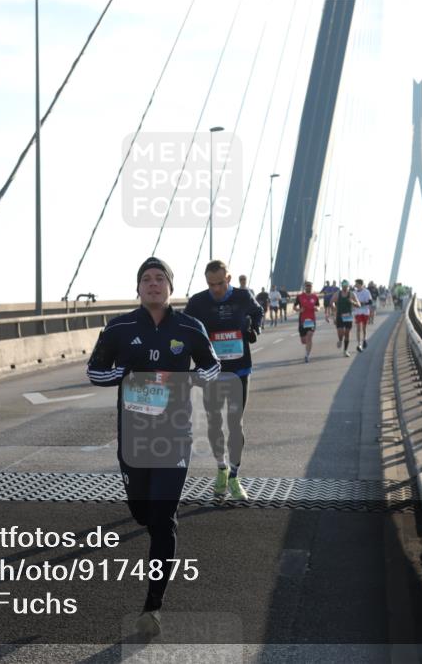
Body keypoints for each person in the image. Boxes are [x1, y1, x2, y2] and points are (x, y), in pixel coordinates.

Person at [86, 257, 220, 639]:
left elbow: (212, 368)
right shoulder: (120, 327)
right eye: (146, 278)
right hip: (133, 436)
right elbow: (94, 371)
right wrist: (126, 375)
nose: (153, 283)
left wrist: (189, 379)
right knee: (142, 513)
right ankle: (150, 521)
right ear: (138, 288)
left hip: (175, 435)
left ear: (170, 287)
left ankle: (153, 605)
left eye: (160, 278)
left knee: (163, 519)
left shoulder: (190, 327)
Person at [185, 260, 264, 501]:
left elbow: (258, 312)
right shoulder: (198, 302)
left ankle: (235, 476)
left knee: (235, 423)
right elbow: (184, 327)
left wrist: (255, 329)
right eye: (210, 284)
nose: (215, 289)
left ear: (228, 279)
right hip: (211, 372)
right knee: (214, 422)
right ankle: (221, 467)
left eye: (219, 283)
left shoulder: (243, 296)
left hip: (239, 370)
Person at [329, 279, 361, 357]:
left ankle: (345, 350)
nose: (345, 287)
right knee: (341, 333)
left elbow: (359, 304)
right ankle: (340, 340)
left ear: (348, 286)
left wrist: (353, 302)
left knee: (347, 333)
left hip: (348, 316)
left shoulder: (352, 294)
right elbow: (331, 302)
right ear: (342, 286)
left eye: (346, 286)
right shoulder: (338, 294)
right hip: (339, 315)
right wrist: (333, 307)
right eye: (343, 285)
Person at [293, 281, 320, 363]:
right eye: (307, 286)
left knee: (309, 337)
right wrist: (299, 309)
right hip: (302, 320)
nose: (309, 287)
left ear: (312, 287)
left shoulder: (315, 297)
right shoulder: (300, 296)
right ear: (305, 287)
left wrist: (317, 309)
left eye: (310, 286)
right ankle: (307, 347)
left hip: (311, 320)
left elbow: (318, 306)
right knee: (303, 340)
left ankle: (307, 355)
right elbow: (294, 307)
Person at [352, 279, 373, 352]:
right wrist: (354, 304)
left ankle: (364, 340)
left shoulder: (366, 292)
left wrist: (361, 304)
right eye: (355, 284)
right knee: (358, 329)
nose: (355, 285)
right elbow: (352, 302)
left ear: (360, 284)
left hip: (365, 312)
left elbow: (370, 302)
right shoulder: (354, 293)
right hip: (358, 312)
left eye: (356, 284)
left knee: (364, 328)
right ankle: (359, 344)